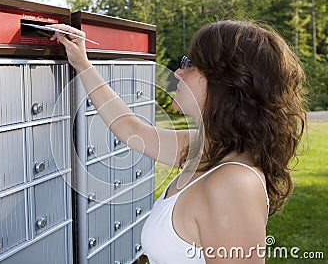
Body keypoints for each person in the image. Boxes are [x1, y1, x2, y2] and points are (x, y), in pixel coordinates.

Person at [49, 20, 306, 264]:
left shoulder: (233, 185)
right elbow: (129, 129)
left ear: (226, 84)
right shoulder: (207, 150)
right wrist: (82, 64)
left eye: (191, 64)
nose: (178, 72)